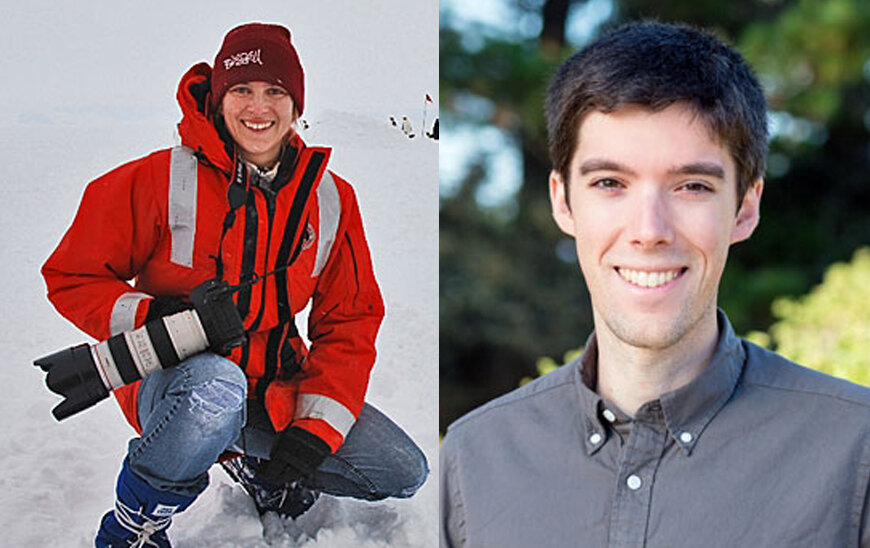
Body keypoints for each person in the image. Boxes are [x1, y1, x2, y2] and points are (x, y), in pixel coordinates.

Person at [440, 21, 870, 548]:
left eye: (691, 186)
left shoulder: (856, 450)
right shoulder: (472, 461)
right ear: (563, 201)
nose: (649, 231)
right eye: (610, 183)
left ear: (745, 208)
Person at [41, 22, 427, 547]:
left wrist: (313, 430)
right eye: (242, 89)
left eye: (275, 91)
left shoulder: (331, 199)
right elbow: (71, 275)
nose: (258, 107)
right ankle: (135, 523)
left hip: (274, 386)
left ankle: (259, 468)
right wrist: (155, 316)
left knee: (402, 468)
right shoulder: (158, 178)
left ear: (296, 105)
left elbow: (351, 319)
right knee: (215, 389)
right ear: (219, 99)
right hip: (176, 383)